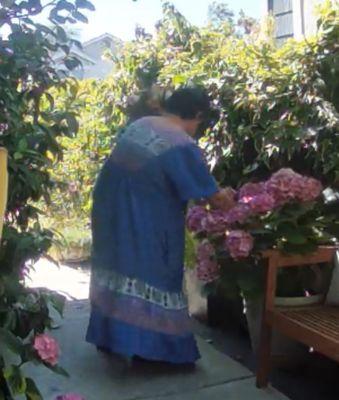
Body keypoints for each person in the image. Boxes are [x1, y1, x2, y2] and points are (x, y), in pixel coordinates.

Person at [86, 87, 235, 365]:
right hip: (144, 216)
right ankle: (154, 350)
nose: (197, 129)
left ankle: (111, 338)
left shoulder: (140, 125)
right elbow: (210, 194)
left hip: (109, 208)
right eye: (200, 123)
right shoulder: (180, 143)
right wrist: (228, 197)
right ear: (198, 114)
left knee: (116, 268)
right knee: (153, 274)